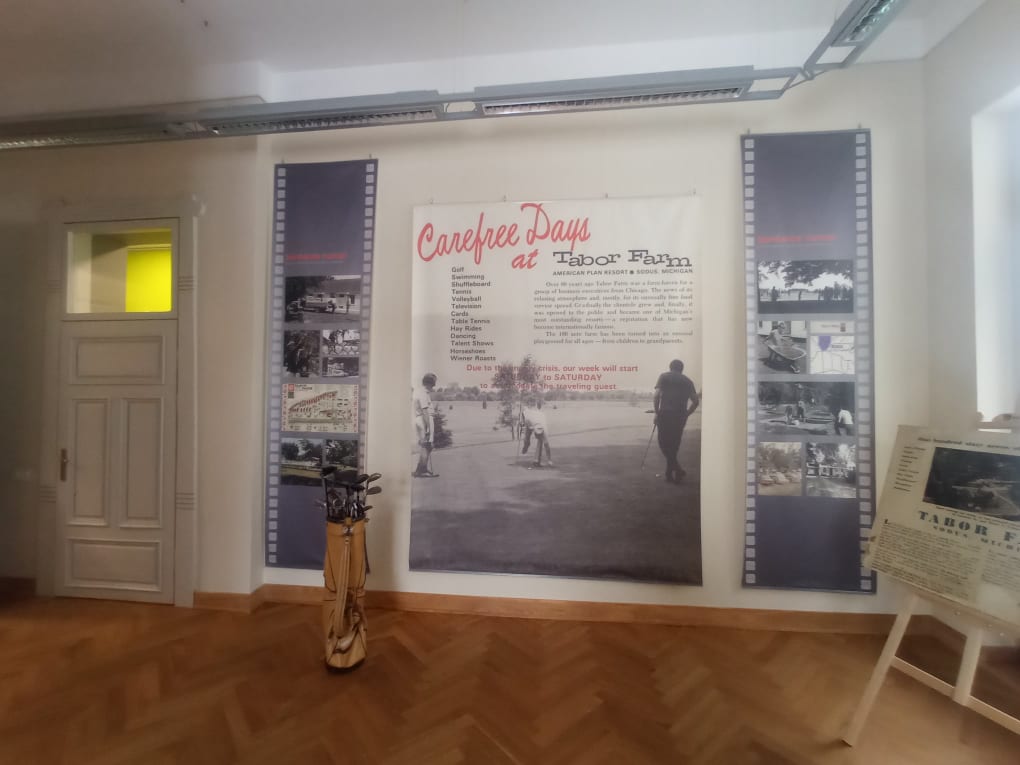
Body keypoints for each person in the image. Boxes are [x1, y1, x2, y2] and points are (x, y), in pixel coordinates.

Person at [653, 359, 700, 483]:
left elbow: (656, 395)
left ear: (670, 367)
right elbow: (696, 401)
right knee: (674, 445)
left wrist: (657, 413)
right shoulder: (688, 381)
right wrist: (687, 414)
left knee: (663, 443)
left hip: (665, 414)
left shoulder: (664, 377)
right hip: (680, 416)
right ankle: (671, 473)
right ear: (682, 369)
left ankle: (676, 470)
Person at [412, 373, 437, 477]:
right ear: (430, 383)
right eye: (433, 384)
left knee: (425, 445)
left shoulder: (418, 391)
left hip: (419, 419)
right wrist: (428, 428)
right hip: (424, 419)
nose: (433, 387)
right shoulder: (423, 393)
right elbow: (425, 411)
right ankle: (422, 471)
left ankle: (420, 470)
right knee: (427, 445)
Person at [520, 398, 553, 467]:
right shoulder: (527, 414)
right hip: (530, 423)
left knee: (541, 442)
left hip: (536, 424)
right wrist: (522, 422)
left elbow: (547, 446)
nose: (537, 435)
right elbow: (524, 411)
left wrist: (549, 461)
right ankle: (526, 446)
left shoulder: (544, 429)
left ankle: (536, 461)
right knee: (527, 438)